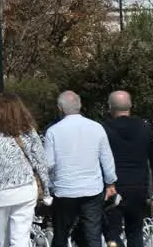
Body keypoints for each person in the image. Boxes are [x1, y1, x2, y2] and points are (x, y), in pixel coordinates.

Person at [45, 91, 117, 247]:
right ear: (80, 106)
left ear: (60, 108)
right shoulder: (97, 128)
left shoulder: (53, 131)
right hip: (92, 189)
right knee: (93, 234)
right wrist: (110, 183)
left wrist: (49, 186)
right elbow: (107, 159)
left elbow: (49, 164)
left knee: (61, 234)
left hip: (64, 189)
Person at [0, 92, 49, 247]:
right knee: (21, 237)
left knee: (0, 237)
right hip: (25, 188)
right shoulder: (28, 131)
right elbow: (40, 162)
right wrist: (46, 190)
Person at [102, 90, 153, 247]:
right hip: (139, 188)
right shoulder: (145, 128)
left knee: (111, 231)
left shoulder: (103, 129)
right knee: (135, 232)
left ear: (110, 107)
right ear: (131, 106)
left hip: (112, 188)